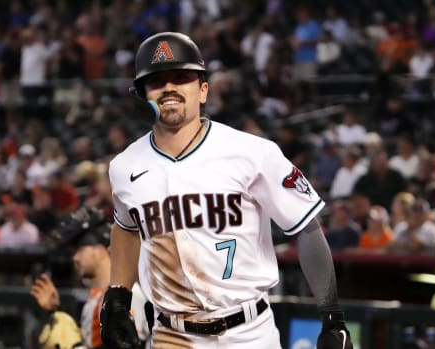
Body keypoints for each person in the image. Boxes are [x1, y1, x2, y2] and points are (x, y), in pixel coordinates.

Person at [101, 32, 353, 349]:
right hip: (172, 335)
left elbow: (306, 228)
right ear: (142, 95)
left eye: (181, 77)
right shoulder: (124, 167)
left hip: (248, 333)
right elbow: (126, 228)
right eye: (156, 81)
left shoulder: (252, 152)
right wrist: (119, 295)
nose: (169, 87)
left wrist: (332, 317)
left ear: (203, 90)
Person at [31, 206, 150, 349]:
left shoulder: (128, 294)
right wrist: (56, 310)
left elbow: (130, 346)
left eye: (80, 250)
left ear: (100, 251)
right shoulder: (94, 300)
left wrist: (75, 347)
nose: (75, 258)